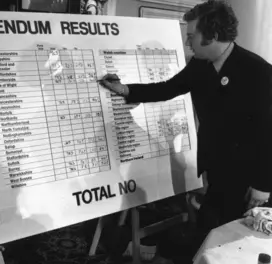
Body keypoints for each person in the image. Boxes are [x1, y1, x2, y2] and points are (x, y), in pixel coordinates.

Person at [100, 0, 271, 244]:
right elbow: (168, 88)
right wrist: (126, 89)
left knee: (236, 238)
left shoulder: (259, 72)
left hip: (248, 173)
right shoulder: (200, 65)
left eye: (191, 36)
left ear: (211, 35)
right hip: (217, 165)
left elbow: (268, 132)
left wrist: (263, 184)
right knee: (212, 228)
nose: (186, 42)